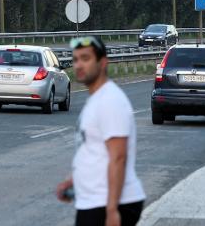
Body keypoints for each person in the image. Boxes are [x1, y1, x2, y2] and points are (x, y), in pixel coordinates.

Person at [56, 36, 146, 226]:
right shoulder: (96, 99)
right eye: (76, 59)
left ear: (103, 62)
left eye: (86, 59)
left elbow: (118, 157)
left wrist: (112, 210)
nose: (79, 65)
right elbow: (93, 149)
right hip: (94, 201)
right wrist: (73, 180)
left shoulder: (109, 100)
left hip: (108, 203)